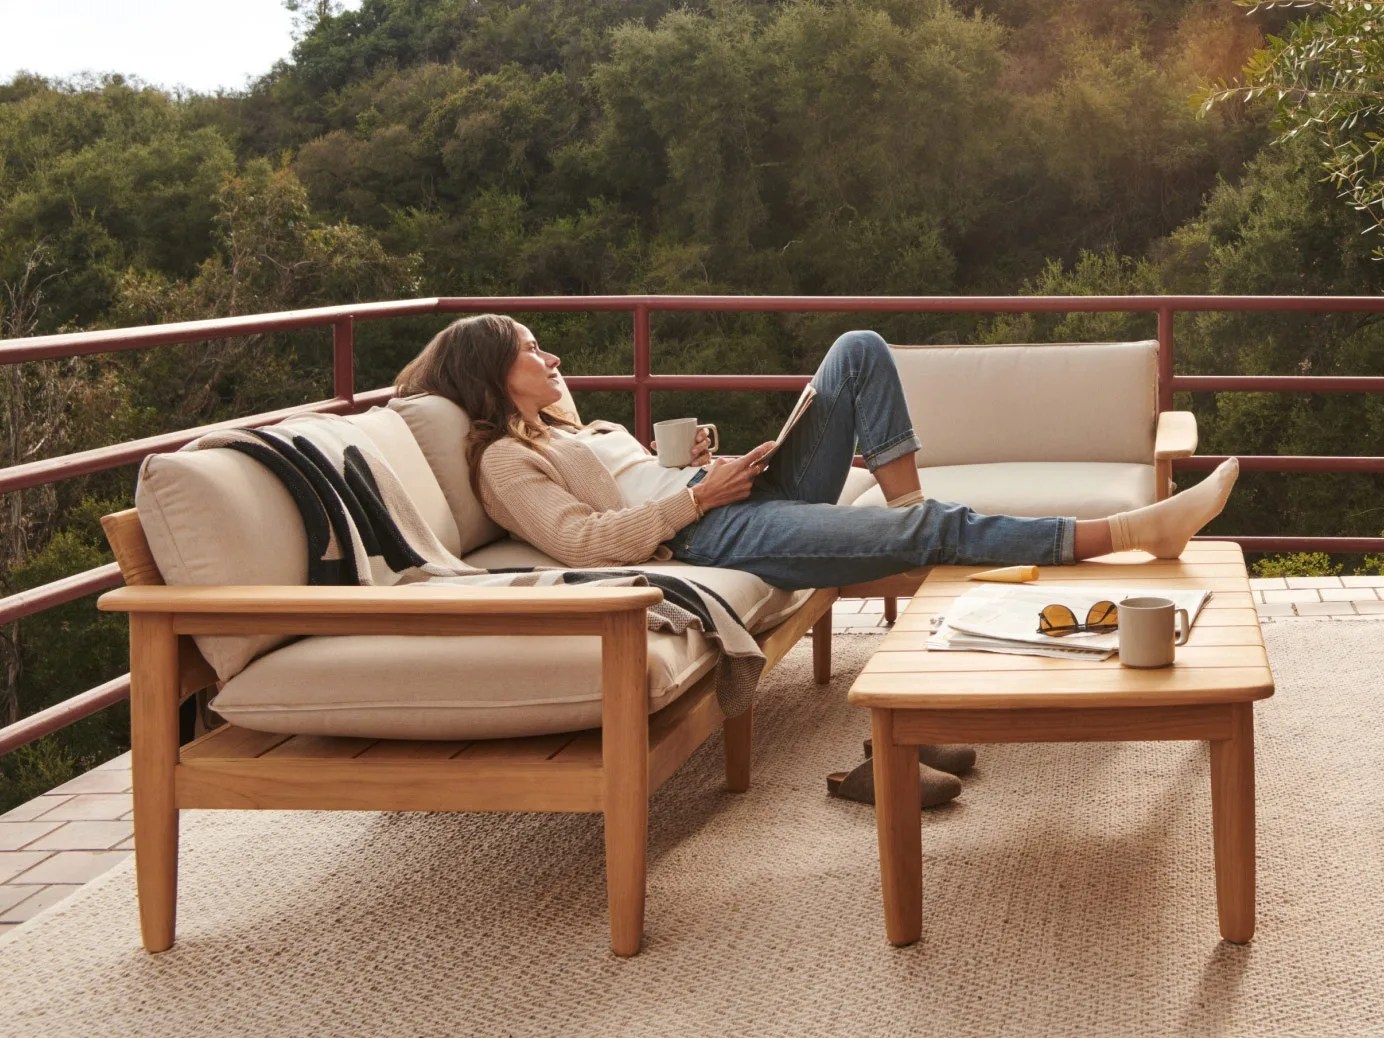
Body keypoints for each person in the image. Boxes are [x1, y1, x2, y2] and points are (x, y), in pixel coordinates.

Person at [395, 315, 1240, 808]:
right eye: (532, 353)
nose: (552, 361)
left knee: (858, 349)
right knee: (934, 530)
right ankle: (1128, 533)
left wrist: (716, 473)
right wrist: (697, 499)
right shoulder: (503, 462)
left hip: (722, 497)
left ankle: (913, 520)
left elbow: (626, 478)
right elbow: (584, 541)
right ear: (491, 375)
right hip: (702, 534)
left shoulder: (563, 429)